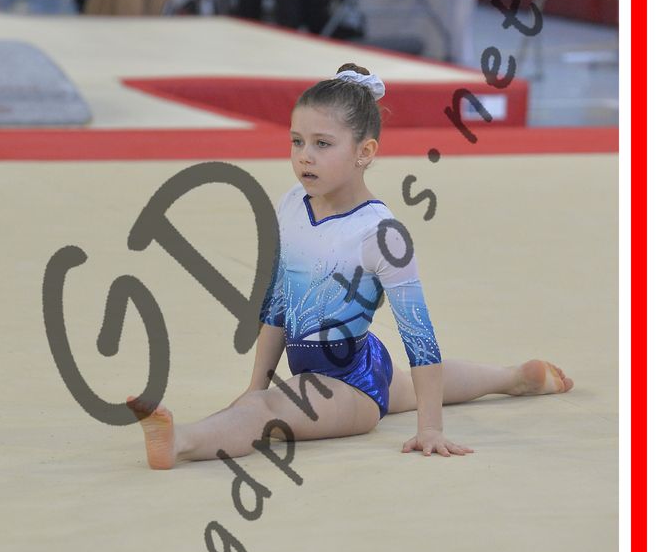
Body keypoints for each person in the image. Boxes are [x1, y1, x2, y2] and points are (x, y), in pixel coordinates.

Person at [128, 64, 573, 468]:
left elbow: (419, 336)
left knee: (264, 411)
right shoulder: (292, 205)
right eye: (297, 141)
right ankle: (515, 378)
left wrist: (431, 428)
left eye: (322, 144)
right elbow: (278, 304)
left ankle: (181, 443)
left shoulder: (381, 234)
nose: (304, 156)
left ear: (364, 151)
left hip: (349, 385)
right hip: (361, 360)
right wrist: (256, 381)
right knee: (385, 388)